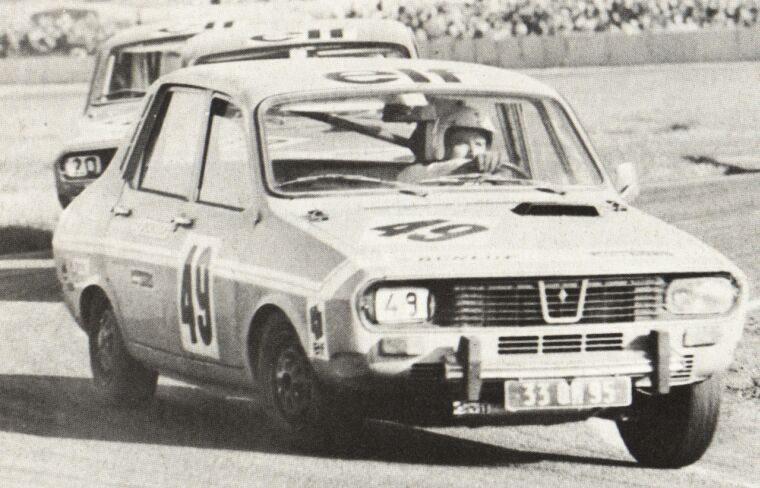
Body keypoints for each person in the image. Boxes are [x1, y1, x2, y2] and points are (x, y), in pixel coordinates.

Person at [397, 103, 514, 183]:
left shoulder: (493, 177)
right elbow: (408, 177)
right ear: (445, 147)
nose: (473, 152)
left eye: (479, 144)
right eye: (461, 142)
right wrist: (467, 167)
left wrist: (502, 175)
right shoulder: (417, 173)